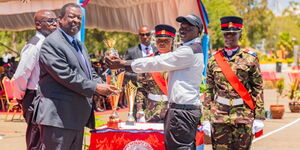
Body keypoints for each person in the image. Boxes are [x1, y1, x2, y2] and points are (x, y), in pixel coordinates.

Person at [106, 14, 204, 149]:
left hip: (182, 111)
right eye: (182, 26)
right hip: (177, 110)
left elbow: (157, 61)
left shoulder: (189, 51)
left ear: (198, 31)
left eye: (189, 27)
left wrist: (123, 63)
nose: (183, 30)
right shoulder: (189, 49)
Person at [33, 3, 117, 150]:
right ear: (60, 19)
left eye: (79, 18)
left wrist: (105, 85)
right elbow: (65, 75)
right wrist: (96, 87)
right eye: (71, 16)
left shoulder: (79, 44)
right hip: (58, 118)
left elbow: (89, 72)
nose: (76, 20)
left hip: (76, 117)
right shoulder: (51, 43)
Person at [202, 16, 265, 150]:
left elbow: (258, 88)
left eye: (233, 33)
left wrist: (259, 116)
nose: (229, 37)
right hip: (219, 115)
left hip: (243, 114)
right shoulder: (213, 59)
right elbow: (208, 90)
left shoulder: (250, 58)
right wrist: (206, 118)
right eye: (226, 33)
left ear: (240, 34)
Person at [12, 9, 58, 150]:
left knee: (46, 140)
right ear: (38, 25)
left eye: (56, 20)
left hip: (47, 97)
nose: (55, 24)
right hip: (34, 97)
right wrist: (20, 96)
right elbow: (21, 74)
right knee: (36, 140)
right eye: (50, 21)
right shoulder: (35, 44)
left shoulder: (49, 43)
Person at [138, 24, 176, 123]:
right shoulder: (147, 62)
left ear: (172, 42)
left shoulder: (178, 61)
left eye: (166, 41)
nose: (162, 43)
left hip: (173, 110)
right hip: (152, 110)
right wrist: (140, 111)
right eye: (159, 40)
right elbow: (141, 88)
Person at [124, 25, 158, 122]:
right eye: (142, 35)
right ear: (139, 36)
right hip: (137, 94)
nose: (145, 37)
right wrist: (139, 77)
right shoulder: (131, 51)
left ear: (151, 35)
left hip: (155, 93)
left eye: (147, 34)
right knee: (138, 122)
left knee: (154, 122)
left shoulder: (158, 51)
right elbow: (124, 72)